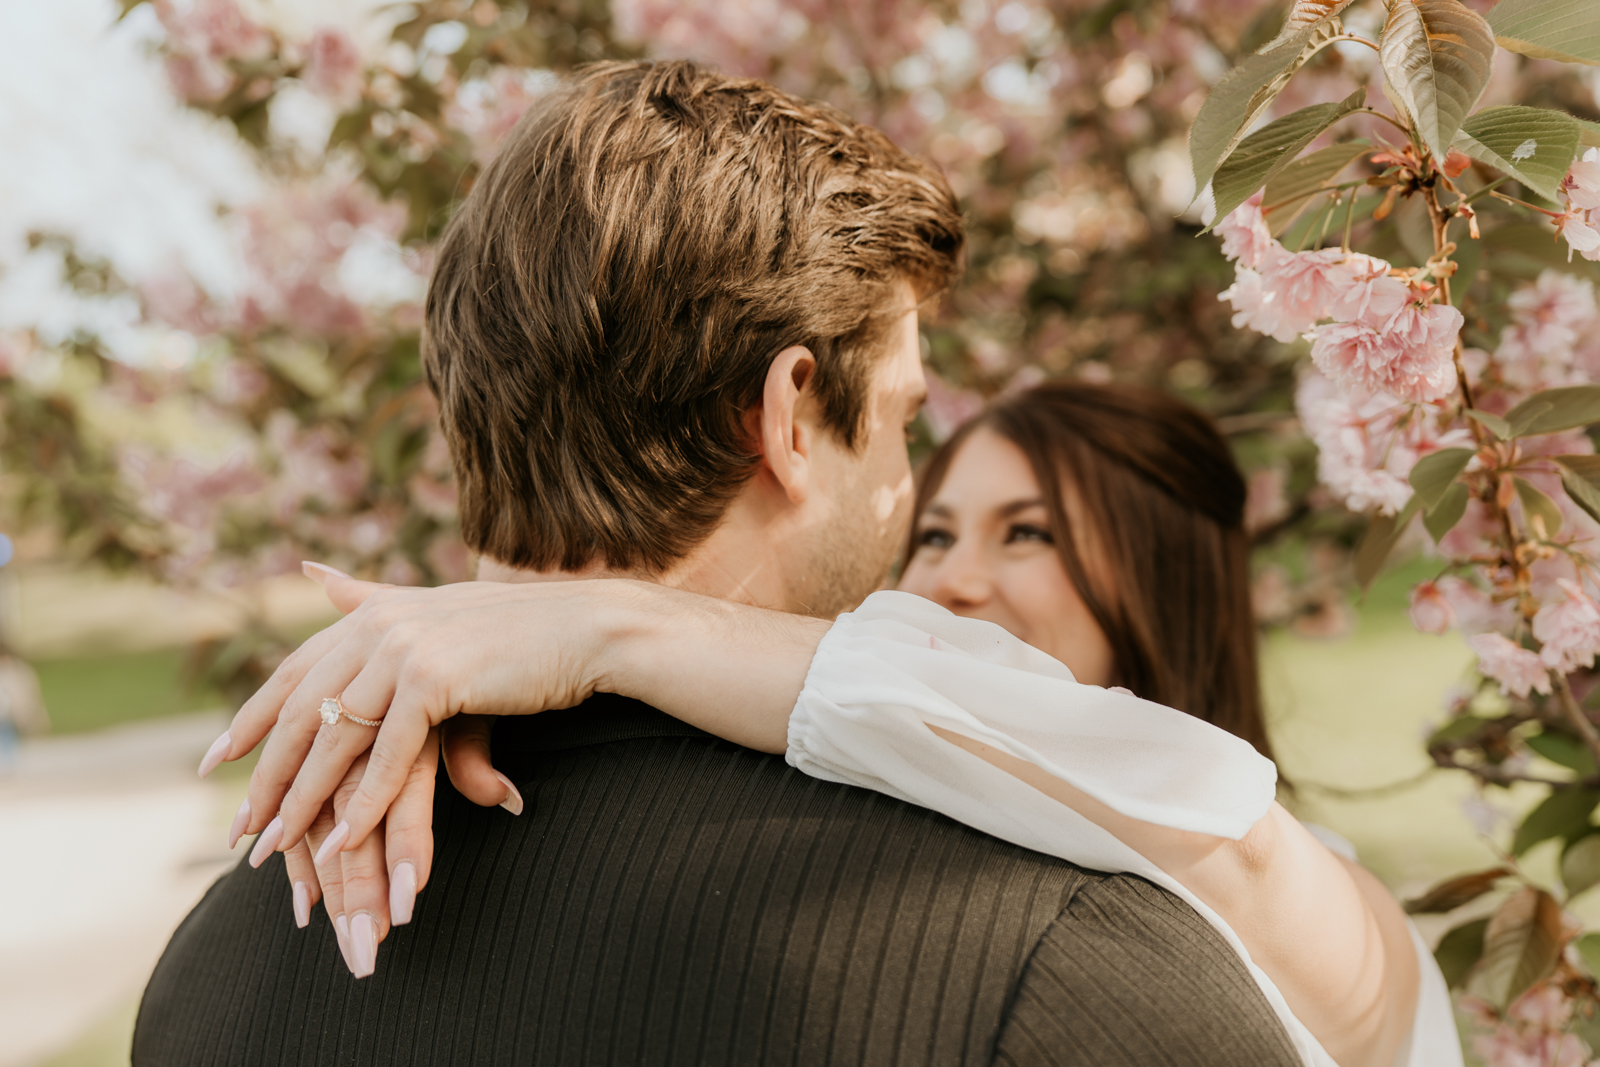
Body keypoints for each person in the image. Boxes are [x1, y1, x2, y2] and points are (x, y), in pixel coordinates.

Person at [133, 60, 1302, 1067]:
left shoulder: (214, 963)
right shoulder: (1058, 955)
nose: (909, 488)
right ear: (790, 416)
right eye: (901, 418)